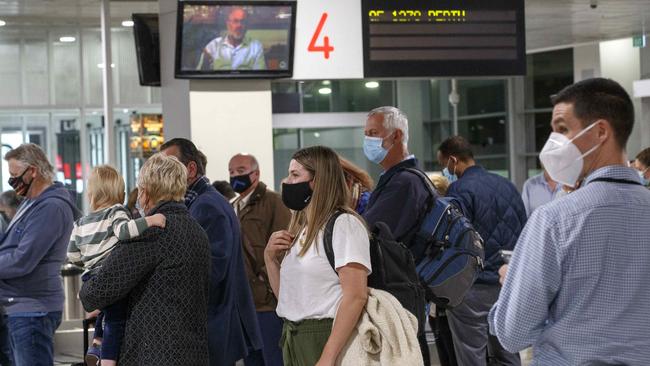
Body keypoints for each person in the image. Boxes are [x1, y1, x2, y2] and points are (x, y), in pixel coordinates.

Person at [489, 78, 650, 364]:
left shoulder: (555, 219)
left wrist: (514, 282)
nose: (554, 143)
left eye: (563, 129)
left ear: (600, 131)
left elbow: (513, 334)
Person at [79, 153, 210, 365]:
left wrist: (85, 286)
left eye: (139, 190)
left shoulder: (151, 232)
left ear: (145, 193)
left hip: (151, 354)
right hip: (194, 353)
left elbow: (95, 294)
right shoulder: (197, 231)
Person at [264, 146, 371, 365]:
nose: (287, 181)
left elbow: (355, 296)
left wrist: (328, 356)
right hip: (294, 336)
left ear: (318, 180)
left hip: (324, 337)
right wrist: (270, 259)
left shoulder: (344, 225)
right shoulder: (303, 228)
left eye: (295, 175)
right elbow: (288, 299)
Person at [161, 138, 262, 366]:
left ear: (191, 169)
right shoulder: (197, 202)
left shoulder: (206, 205)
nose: (162, 174)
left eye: (169, 167)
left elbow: (211, 271)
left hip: (212, 325)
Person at [437, 136, 525, 366]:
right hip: (506, 284)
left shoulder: (459, 189)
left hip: (473, 288)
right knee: (507, 352)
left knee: (471, 355)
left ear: (453, 160)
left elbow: (452, 237)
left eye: (444, 164)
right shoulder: (507, 185)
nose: (445, 170)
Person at [67, 166, 166, 366]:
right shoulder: (116, 211)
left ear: (91, 192)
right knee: (116, 320)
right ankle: (108, 360)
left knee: (106, 312)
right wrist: (150, 220)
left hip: (91, 277)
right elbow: (124, 231)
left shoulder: (80, 223)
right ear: (118, 191)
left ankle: (96, 343)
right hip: (111, 274)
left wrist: (88, 262)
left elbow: (72, 255)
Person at [360, 106, 433, 365]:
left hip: (399, 293)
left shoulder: (405, 183)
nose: (368, 140)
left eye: (373, 133)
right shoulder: (395, 180)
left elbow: (369, 232)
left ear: (397, 136)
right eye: (366, 133)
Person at [0, 144, 80, 366]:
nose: (12, 182)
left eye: (15, 176)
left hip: (32, 311)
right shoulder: (31, 203)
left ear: (33, 171)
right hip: (19, 308)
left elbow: (22, 259)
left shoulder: (51, 207)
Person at [228, 153, 290, 366]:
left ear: (256, 173)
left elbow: (282, 245)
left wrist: (264, 281)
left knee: (273, 357)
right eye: (232, 172)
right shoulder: (232, 205)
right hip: (243, 302)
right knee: (251, 359)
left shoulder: (274, 202)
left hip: (268, 303)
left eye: (241, 171)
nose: (236, 176)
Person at [197, 6, 265, 70]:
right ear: (228, 24)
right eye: (235, 21)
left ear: (246, 25)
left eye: (243, 22)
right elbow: (200, 73)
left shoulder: (256, 46)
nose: (239, 25)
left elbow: (261, 76)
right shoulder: (214, 45)